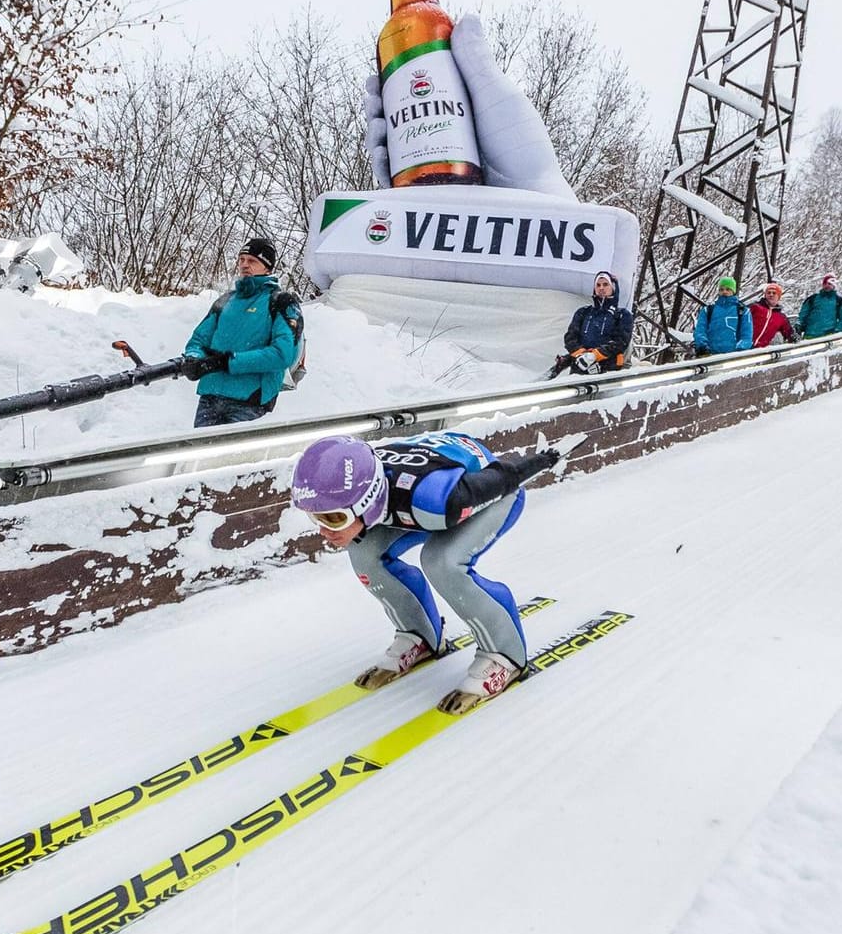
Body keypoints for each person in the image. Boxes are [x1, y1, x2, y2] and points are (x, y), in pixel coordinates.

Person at [290, 433, 561, 714]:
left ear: (367, 500)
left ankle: (505, 655)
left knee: (442, 562)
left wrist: (541, 460)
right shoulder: (366, 484)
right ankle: (419, 635)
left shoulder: (436, 499)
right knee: (365, 556)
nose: (323, 531)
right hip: (418, 488)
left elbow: (505, 477)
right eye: (316, 517)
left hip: (490, 491)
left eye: (334, 518)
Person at [182, 238, 301, 428]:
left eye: (252, 261)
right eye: (242, 260)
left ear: (267, 268)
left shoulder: (281, 302)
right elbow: (198, 339)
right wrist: (193, 358)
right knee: (197, 455)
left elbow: (283, 354)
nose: (245, 265)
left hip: (249, 402)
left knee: (234, 458)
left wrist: (229, 362)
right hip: (210, 396)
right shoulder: (226, 300)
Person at [556, 270, 635, 374]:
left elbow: (620, 342)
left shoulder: (623, 315)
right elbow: (570, 337)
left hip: (608, 372)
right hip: (579, 369)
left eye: (605, 284)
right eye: (598, 285)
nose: (601, 288)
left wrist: (594, 356)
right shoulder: (583, 312)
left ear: (613, 288)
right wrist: (581, 355)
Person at [693, 276, 754, 356]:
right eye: (721, 289)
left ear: (733, 291)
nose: (724, 292)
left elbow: (747, 334)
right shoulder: (708, 310)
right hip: (710, 355)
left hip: (733, 357)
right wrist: (703, 346)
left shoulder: (743, 311)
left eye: (728, 289)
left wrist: (740, 349)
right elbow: (700, 330)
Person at [750, 282, 797, 347]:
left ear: (778, 297)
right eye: (768, 293)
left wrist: (795, 337)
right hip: (744, 346)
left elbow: (789, 332)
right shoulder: (755, 307)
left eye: (774, 293)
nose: (771, 295)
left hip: (760, 350)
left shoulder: (781, 317)